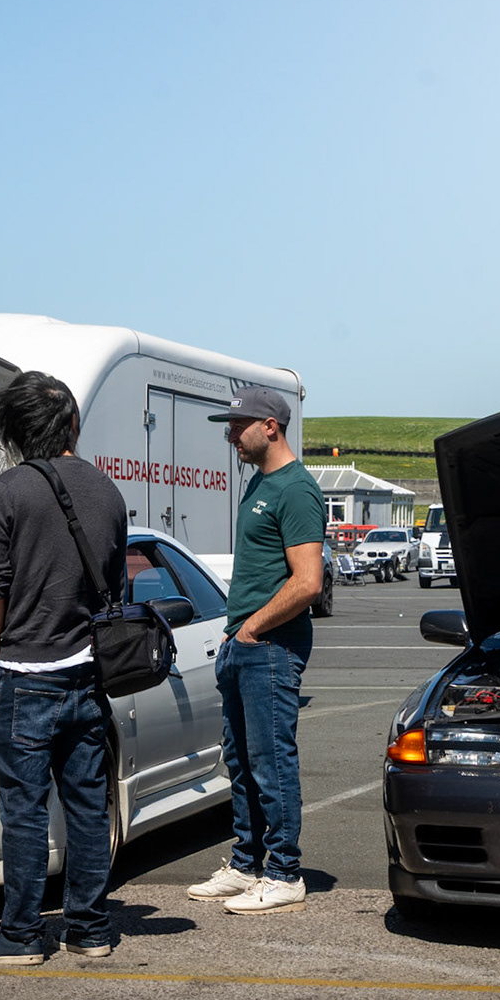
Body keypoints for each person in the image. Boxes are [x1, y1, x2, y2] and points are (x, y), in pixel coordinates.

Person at [0, 372, 127, 965]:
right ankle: (90, 928)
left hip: (25, 676)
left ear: (14, 429)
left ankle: (22, 934)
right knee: (88, 806)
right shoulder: (108, 491)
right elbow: (115, 585)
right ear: (72, 425)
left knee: (25, 811)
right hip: (87, 675)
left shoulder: (5, 491)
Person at [187, 385, 326, 915]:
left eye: (237, 426)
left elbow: (307, 582)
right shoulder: (259, 483)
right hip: (245, 642)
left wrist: (251, 629)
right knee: (242, 763)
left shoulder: (297, 490)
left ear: (271, 426)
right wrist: (235, 632)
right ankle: (246, 865)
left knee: (271, 762)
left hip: (271, 645)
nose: (230, 436)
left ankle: (284, 873)